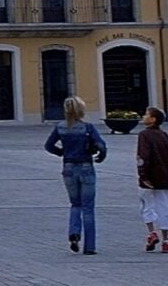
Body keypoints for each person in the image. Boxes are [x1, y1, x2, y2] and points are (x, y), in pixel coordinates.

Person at [45, 95, 107, 254]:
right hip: (86, 167)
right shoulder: (87, 128)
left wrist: (62, 153)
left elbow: (48, 145)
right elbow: (101, 145)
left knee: (75, 203)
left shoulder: (60, 127)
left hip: (69, 168)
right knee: (88, 207)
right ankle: (90, 246)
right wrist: (100, 154)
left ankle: (74, 232)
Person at [137, 106, 168, 253]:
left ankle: (151, 233)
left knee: (147, 206)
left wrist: (143, 175)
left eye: (146, 115)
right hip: (164, 178)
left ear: (153, 119)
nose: (143, 117)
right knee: (164, 208)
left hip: (149, 179)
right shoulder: (165, 135)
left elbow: (143, 156)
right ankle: (166, 240)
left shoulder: (144, 135)